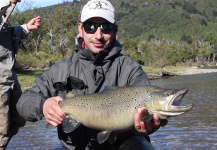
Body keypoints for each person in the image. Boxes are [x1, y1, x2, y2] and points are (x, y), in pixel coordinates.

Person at [17, 0, 164, 149]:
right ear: (80, 29)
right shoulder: (61, 69)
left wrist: (149, 124)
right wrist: (43, 105)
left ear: (115, 30)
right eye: (91, 27)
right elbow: (23, 102)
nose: (98, 35)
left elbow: (153, 112)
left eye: (106, 27)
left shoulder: (130, 69)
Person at [0, 0, 41, 149]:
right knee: (2, 129)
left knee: (19, 117)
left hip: (10, 78)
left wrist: (26, 28)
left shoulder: (4, 15)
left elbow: (6, 33)